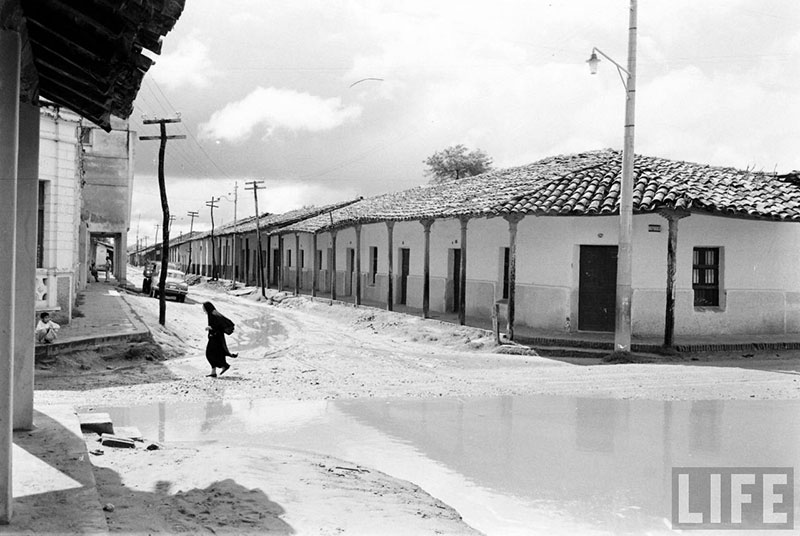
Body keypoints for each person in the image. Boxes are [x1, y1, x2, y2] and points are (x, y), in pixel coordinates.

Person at [202, 301, 237, 377]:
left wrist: (210, 328)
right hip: (215, 337)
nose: (203, 309)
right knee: (217, 353)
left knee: (210, 353)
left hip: (215, 338)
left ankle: (223, 366)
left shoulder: (212, 314)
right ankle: (215, 371)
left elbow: (217, 326)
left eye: (204, 308)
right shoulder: (212, 313)